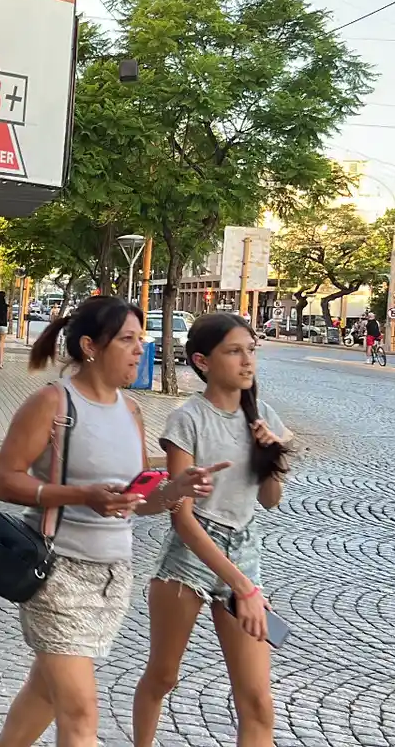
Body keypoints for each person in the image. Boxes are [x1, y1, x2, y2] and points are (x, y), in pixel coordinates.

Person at [0, 296, 223, 747]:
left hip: (113, 578)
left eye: (141, 339)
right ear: (92, 346)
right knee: (80, 714)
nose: (140, 349)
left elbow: (137, 500)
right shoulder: (52, 404)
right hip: (57, 576)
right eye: (129, 340)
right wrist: (82, 497)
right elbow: (1, 482)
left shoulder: (131, 410)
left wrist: (175, 490)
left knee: (46, 693)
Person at [133, 313, 293, 747]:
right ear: (202, 361)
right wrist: (244, 587)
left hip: (245, 549)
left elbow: (270, 500)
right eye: (234, 351)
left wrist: (271, 454)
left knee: (258, 701)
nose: (247, 361)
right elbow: (182, 518)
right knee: (164, 675)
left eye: (251, 350)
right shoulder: (188, 420)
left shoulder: (263, 416)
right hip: (192, 556)